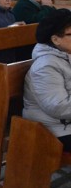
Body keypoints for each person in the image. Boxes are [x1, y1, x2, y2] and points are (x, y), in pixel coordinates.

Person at [23, 9, 71, 153]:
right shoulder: (45, 66)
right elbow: (59, 107)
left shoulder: (66, 54)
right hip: (55, 130)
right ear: (55, 39)